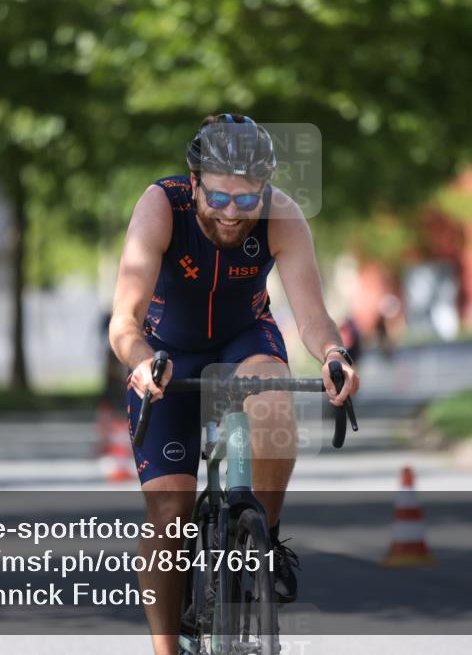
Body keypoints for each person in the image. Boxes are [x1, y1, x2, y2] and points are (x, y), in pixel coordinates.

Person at [109, 114, 360, 655]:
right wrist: (142, 360)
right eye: (218, 197)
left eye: (246, 200)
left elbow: (313, 317)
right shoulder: (161, 206)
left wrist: (333, 354)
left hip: (244, 337)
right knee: (170, 511)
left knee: (273, 403)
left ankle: (260, 539)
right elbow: (124, 320)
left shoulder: (281, 215)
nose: (231, 213)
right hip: (167, 353)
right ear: (194, 182)